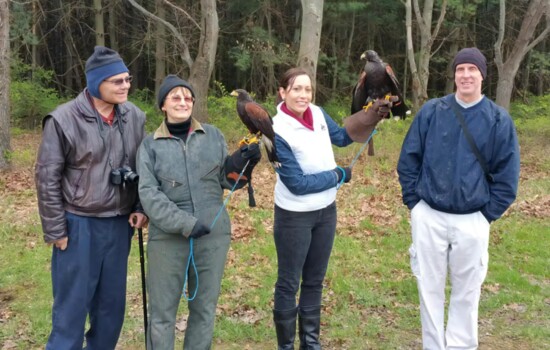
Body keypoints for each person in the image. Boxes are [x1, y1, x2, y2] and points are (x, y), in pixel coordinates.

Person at [397, 47, 520, 350]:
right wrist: (415, 204)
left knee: (467, 291)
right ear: (453, 75)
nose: (465, 75)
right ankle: (433, 346)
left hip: (473, 218)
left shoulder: (497, 120)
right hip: (429, 215)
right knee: (429, 288)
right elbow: (409, 159)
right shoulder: (432, 111)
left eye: (472, 70)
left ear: (482, 75)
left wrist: (486, 215)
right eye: (460, 69)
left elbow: (507, 176)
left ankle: (461, 346)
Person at [35, 46, 148, 349]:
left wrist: (139, 206)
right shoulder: (63, 120)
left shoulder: (135, 117)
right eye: (117, 81)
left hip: (119, 224)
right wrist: (56, 230)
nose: (126, 86)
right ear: (97, 82)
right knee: (71, 310)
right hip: (78, 225)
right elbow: (47, 178)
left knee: (111, 310)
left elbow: (143, 167)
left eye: (127, 79)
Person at [136, 74, 261, 349]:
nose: (183, 102)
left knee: (204, 311)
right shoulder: (149, 145)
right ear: (163, 106)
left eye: (187, 97)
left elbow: (229, 181)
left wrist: (244, 163)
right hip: (168, 238)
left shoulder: (213, 135)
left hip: (212, 236)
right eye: (175, 97)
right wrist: (185, 223)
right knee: (161, 314)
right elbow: (148, 195)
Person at [271, 67, 393, 349]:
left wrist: (371, 114)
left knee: (314, 280)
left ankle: (310, 343)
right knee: (289, 283)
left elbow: (341, 136)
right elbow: (297, 183)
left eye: (307, 89)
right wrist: (337, 176)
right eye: (297, 89)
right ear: (283, 92)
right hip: (293, 216)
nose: (303, 95)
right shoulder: (276, 129)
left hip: (326, 212)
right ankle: (286, 345)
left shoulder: (317, 112)